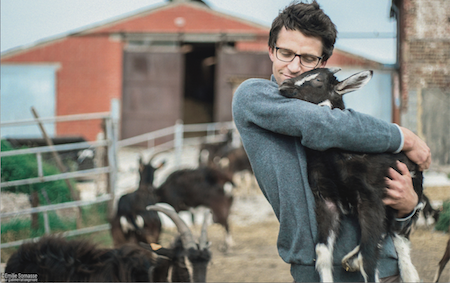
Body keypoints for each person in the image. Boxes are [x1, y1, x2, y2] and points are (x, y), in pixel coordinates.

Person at [232, 1, 431, 282]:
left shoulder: (347, 123)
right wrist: (402, 136)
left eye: (308, 58)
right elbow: (322, 125)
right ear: (270, 50)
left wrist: (407, 206)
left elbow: (384, 199)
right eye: (285, 53)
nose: (294, 67)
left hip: (383, 268)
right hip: (319, 270)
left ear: (322, 64)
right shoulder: (254, 97)